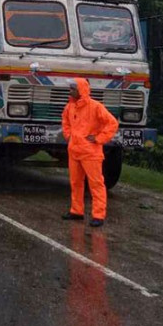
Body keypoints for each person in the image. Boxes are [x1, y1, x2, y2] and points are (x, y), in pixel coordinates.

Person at [61, 78, 119, 228]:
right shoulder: (70, 107)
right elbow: (65, 122)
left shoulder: (96, 107)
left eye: (73, 89)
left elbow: (112, 123)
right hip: (74, 151)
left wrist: (99, 138)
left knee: (96, 184)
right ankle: (76, 211)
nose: (70, 91)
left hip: (90, 153)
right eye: (70, 89)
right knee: (76, 183)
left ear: (81, 90)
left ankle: (98, 215)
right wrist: (69, 136)